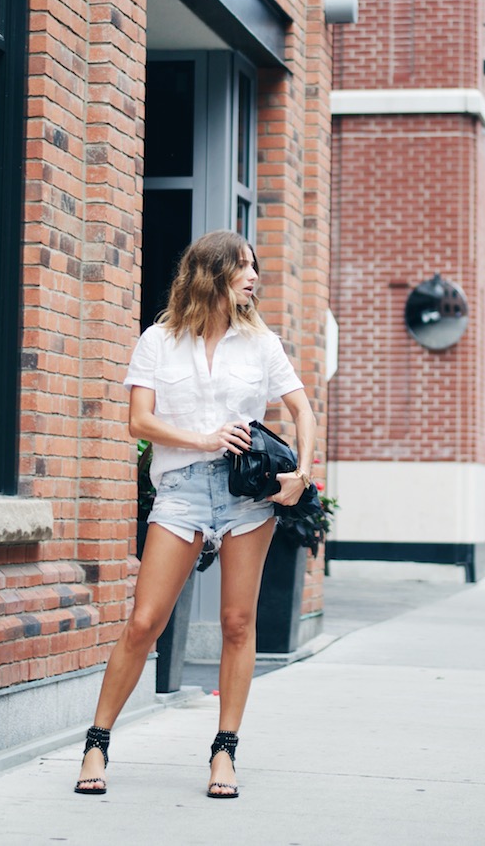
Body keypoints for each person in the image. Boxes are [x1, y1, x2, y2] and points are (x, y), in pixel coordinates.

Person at [74, 229, 316, 799]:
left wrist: (300, 474)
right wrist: (205, 439)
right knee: (144, 621)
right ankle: (96, 741)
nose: (254, 277)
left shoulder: (261, 344)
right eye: (243, 267)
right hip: (182, 487)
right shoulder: (159, 341)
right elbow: (140, 422)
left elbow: (302, 410)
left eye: (255, 267)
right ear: (210, 273)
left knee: (237, 623)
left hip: (245, 495)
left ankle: (224, 752)